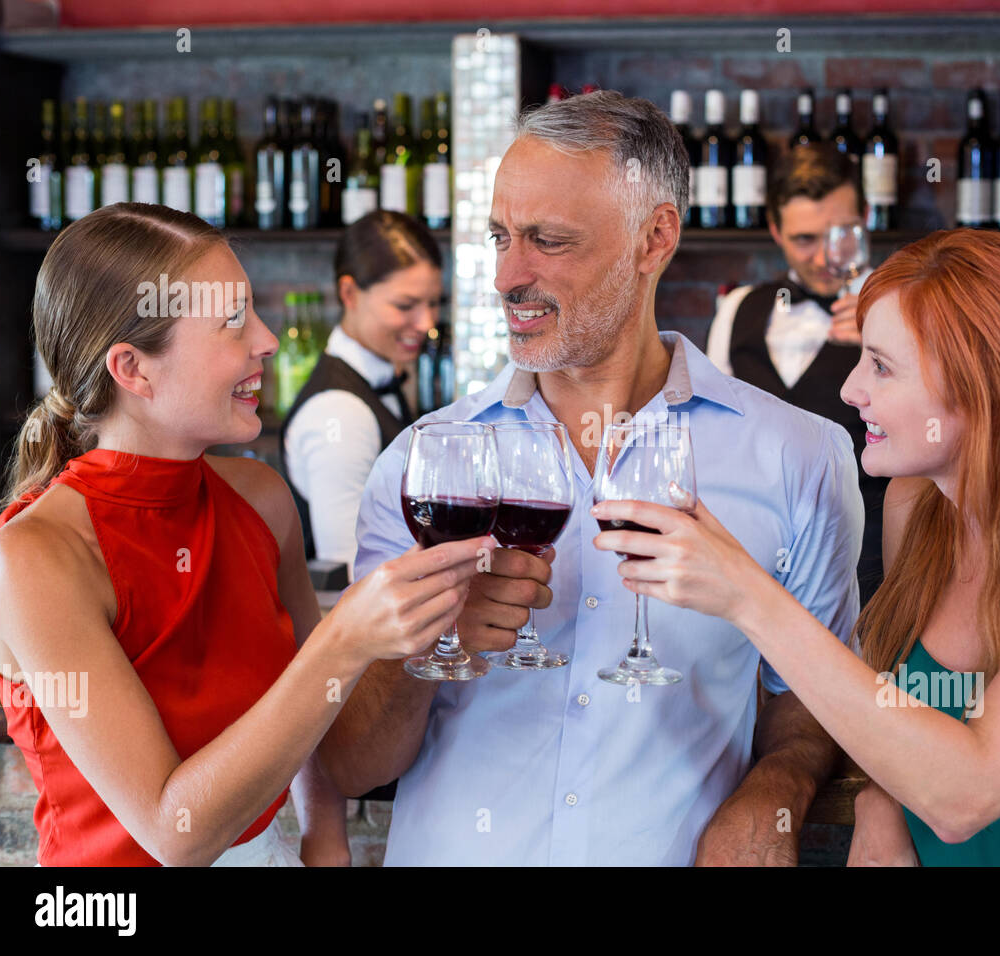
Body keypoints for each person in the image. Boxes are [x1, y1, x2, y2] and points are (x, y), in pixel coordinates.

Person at [318, 91, 865, 866]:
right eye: (501, 236)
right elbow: (351, 764)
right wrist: (432, 641)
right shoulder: (423, 462)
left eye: (548, 240)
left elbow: (806, 701)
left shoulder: (799, 457)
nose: (509, 276)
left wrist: (776, 789)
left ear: (654, 239)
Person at [592, 228, 1000, 866]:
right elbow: (900, 728)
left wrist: (748, 596)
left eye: (881, 366)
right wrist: (879, 798)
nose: (850, 390)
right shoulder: (919, 507)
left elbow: (967, 793)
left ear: (986, 386)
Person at [0, 203, 490, 866]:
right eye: (232, 322)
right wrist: (344, 641)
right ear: (134, 369)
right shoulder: (34, 556)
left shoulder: (261, 501)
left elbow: (321, 734)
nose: (268, 340)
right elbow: (175, 833)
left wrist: (324, 839)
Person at [706, 143, 890, 604]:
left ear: (866, 217)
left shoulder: (906, 308)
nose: (827, 256)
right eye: (806, 239)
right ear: (775, 230)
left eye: (841, 233)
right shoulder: (736, 310)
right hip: (756, 564)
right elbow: (715, 442)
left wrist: (884, 349)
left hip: (874, 558)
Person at [282, 210, 444, 580]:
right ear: (349, 293)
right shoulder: (338, 413)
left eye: (433, 303)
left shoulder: (382, 380)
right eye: (405, 306)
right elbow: (353, 572)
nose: (427, 324)